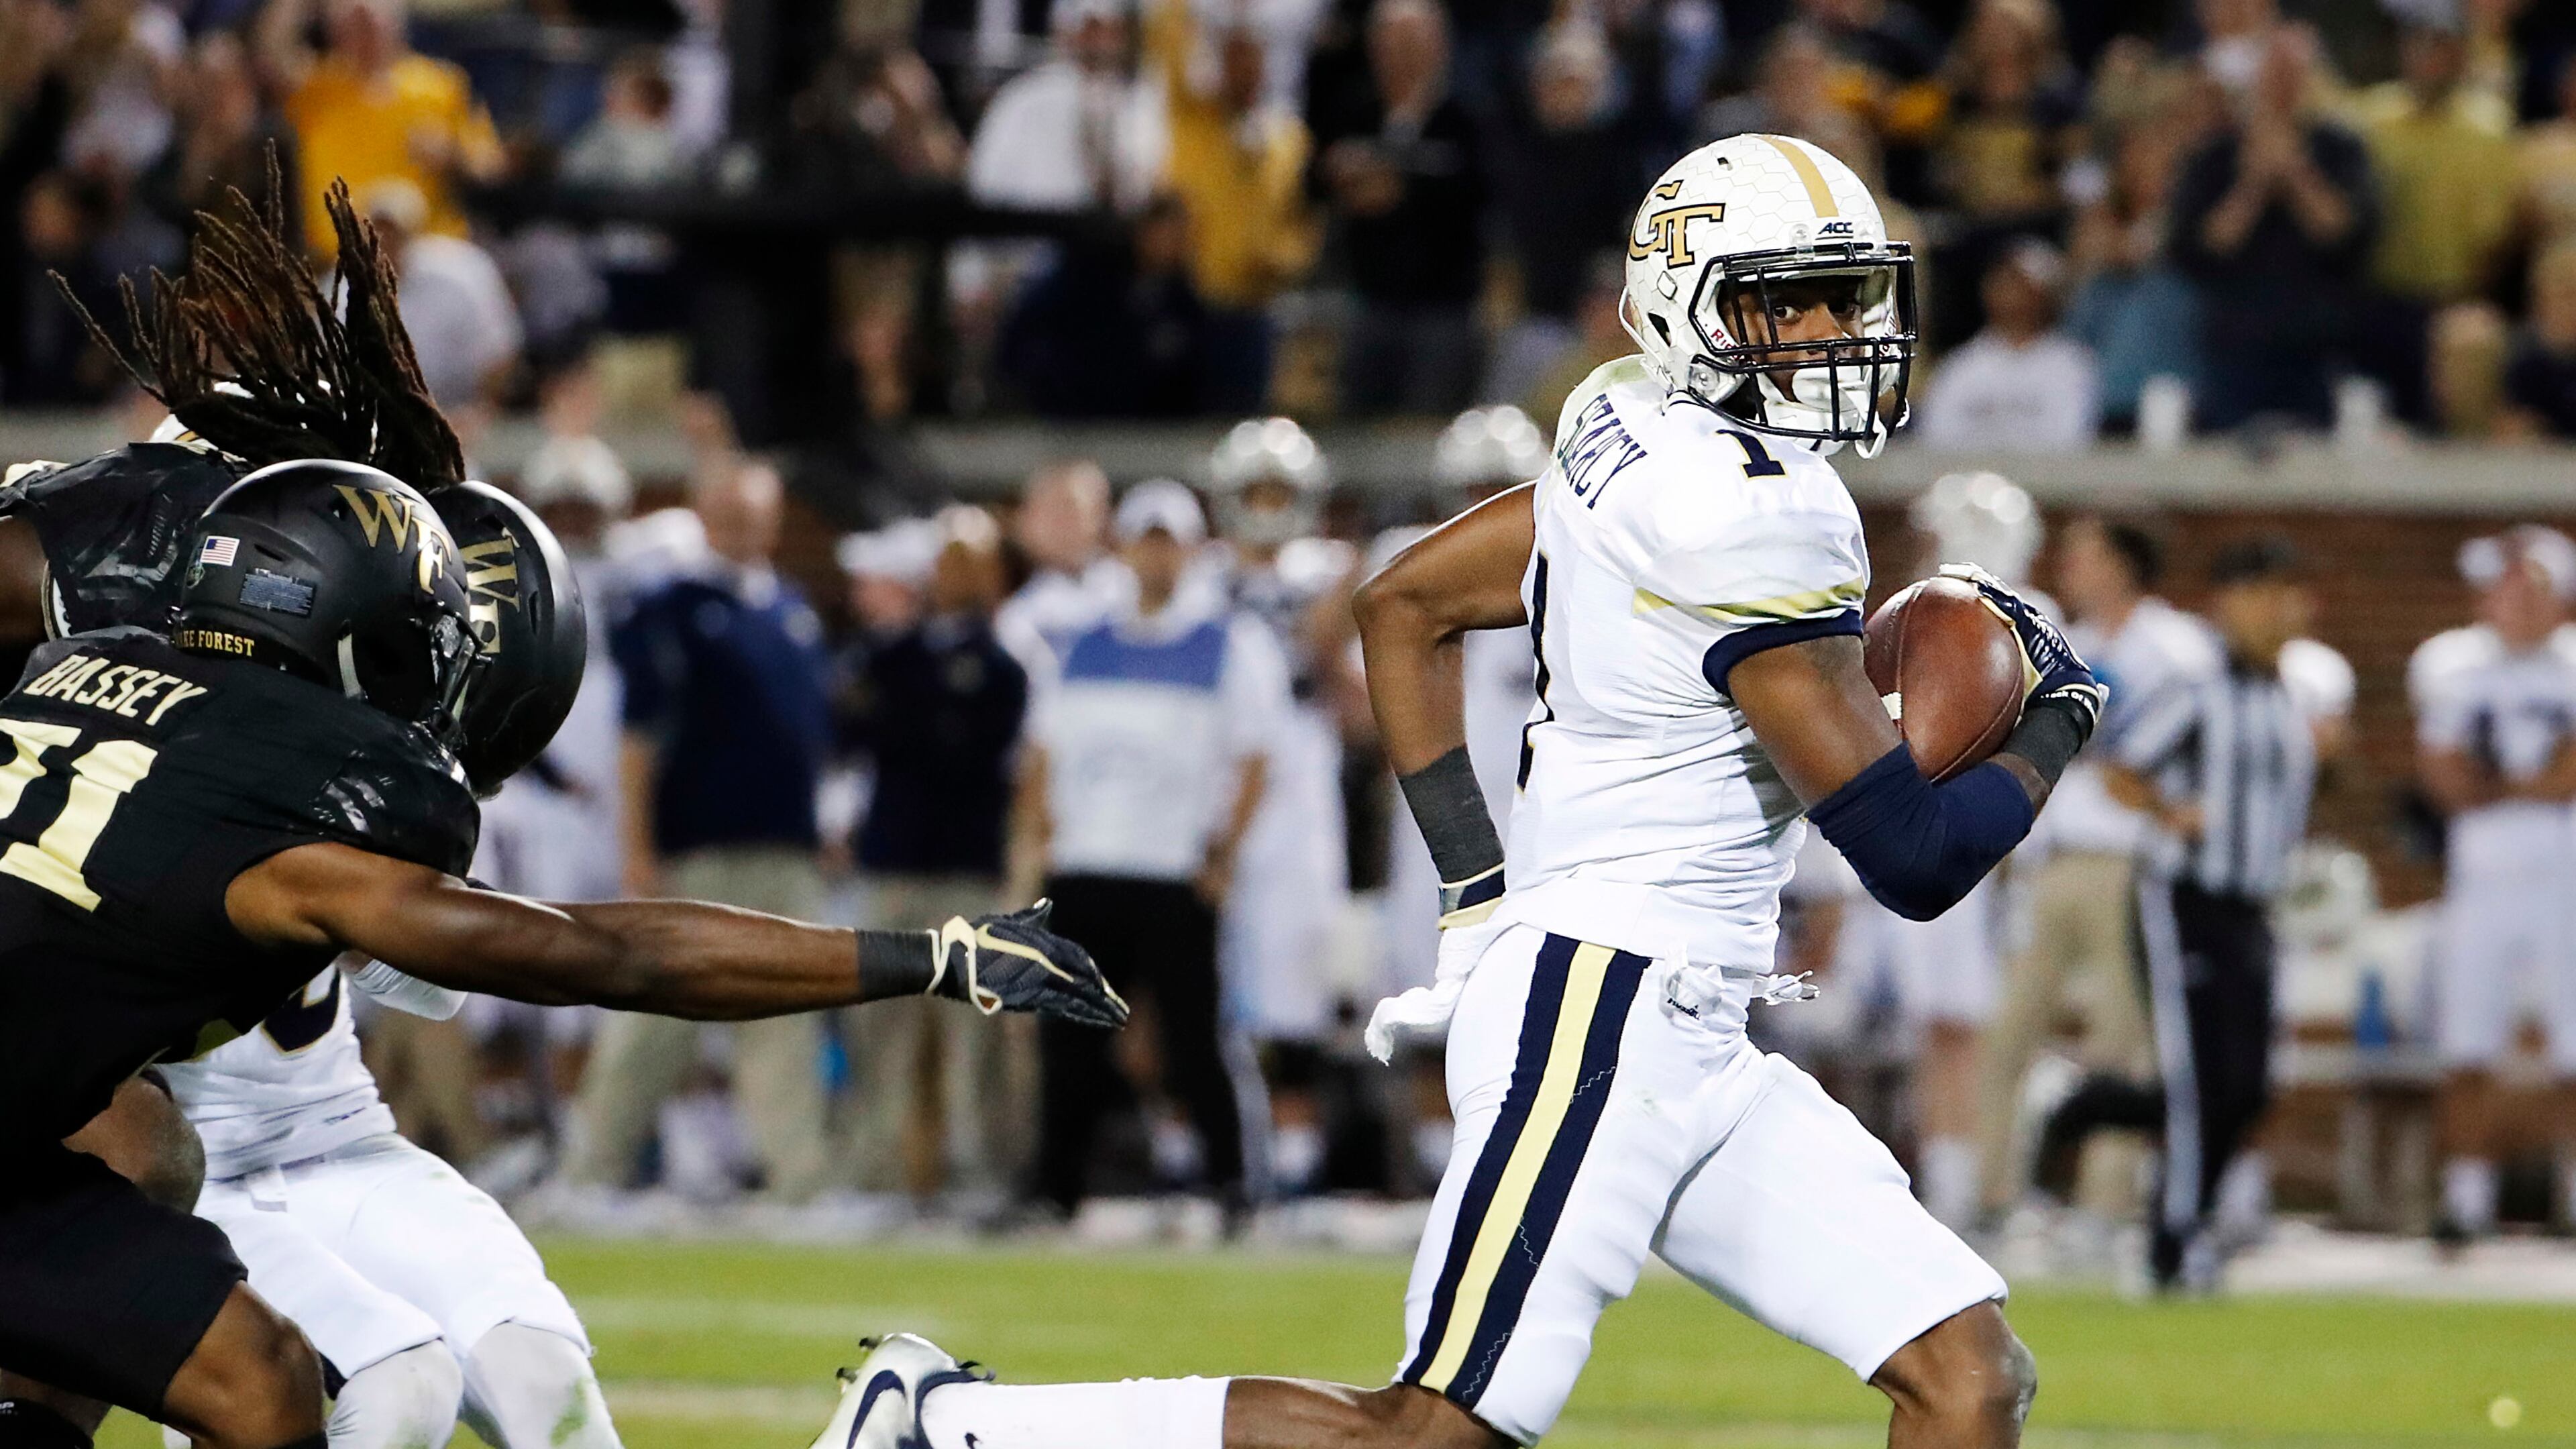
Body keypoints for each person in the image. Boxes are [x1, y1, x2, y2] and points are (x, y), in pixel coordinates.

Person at [822, 132, 2107, 1449]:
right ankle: (944, 1430)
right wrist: (2061, 710)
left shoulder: (1629, 420)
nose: (1838, 330)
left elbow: (1405, 602)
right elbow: (1916, 858)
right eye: (1795, 300)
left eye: (1849, 294)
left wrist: (1475, 886)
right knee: (1429, 1435)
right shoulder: (1757, 514)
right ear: (1696, 305)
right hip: (1606, 1006)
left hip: (1695, 1023)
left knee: (1968, 1375)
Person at [564, 458, 842, 1204]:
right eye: (728, 510)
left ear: (774, 518)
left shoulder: (792, 607)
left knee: (785, 1023)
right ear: (703, 514)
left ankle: (800, 1187)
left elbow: (810, 734)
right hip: (697, 848)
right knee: (655, 1019)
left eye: (754, 511)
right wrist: (638, 849)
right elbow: (639, 741)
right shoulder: (673, 606)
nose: (743, 525)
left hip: (784, 849)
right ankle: (591, 1173)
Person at [1014, 481, 1284, 1222]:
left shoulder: (1231, 643)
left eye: (1170, 540)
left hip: (1172, 870)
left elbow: (1258, 759)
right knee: (1069, 1039)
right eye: (1146, 538)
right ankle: (1056, 1188)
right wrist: (1044, 845)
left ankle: (1232, 1183)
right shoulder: (1079, 642)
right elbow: (1040, 754)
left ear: (1194, 549)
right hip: (1088, 865)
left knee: (1195, 1038)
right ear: (1124, 547)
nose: (1157, 555)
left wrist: (1222, 856)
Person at [1978, 515, 2216, 1232]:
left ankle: (2107, 1204)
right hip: (2053, 855)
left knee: (2123, 1040)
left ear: (2123, 563)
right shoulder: (2065, 641)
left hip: (2130, 860)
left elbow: (2188, 756)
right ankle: (1994, 1195)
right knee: (2010, 1031)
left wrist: (2156, 802)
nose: (2070, 568)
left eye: (2085, 556)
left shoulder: (2175, 650)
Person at [2102, 537, 2319, 1291]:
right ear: (2230, 605)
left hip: (2253, 907)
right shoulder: (2197, 688)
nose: (2282, 610)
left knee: (2250, 1081)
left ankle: (2080, 1109)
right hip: (2184, 899)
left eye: (2288, 593)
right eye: (2266, 592)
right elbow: (2123, 771)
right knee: (2201, 1082)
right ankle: (2176, 1239)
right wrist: (2171, 811)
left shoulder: (2290, 695)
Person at [839, 506, 1033, 1209]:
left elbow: (967, 750)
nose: (957, 576)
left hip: (966, 867)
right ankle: (877, 1174)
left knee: (973, 1035)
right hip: (892, 863)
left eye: (970, 562)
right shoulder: (891, 654)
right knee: (878, 1030)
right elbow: (856, 733)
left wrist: (916, 729)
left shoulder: (1007, 661)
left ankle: (979, 1177)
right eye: (948, 561)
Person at [2410, 527, 2576, 1241]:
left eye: (2529, 585)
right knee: (2467, 1044)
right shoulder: (2455, 666)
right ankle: (2466, 1201)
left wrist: (2521, 784)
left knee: (2573, 1047)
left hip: (2564, 880)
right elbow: (2443, 773)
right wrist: (2523, 785)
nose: (2514, 601)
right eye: (2504, 585)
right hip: (2480, 878)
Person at [1204, 417, 1356, 1195]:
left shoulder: (1334, 572)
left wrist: (1328, 642)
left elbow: (1361, 708)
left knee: (1297, 986)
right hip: (1213, 796)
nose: (1267, 507)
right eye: (1254, 491)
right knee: (1204, 986)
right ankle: (1213, 1156)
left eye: (1279, 491)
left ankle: (1294, 1166)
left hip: (1301, 804)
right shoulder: (1198, 579)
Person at [2167, 26, 2375, 432]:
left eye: (2293, 74)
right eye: (2274, 74)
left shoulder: (2341, 149)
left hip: (2319, 347)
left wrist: (2296, 173)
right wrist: (2254, 185)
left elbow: (2344, 232)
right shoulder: (2215, 154)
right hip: (2234, 348)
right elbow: (2204, 244)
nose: (2283, 87)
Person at [1310, 0, 1487, 416]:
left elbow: (1480, 193)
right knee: (1358, 429)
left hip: (1442, 309)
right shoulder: (1354, 111)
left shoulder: (1465, 116)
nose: (1401, 53)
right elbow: (1316, 181)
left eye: (1412, 41)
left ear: (1439, 46)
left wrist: (1401, 188)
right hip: (1368, 299)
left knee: (1424, 424)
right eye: (1390, 42)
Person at [257, 0, 504, 256]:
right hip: (343, 258)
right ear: (336, 34)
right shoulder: (317, 88)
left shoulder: (440, 85)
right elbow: (271, 55)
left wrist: (451, 154)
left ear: (397, 26)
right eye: (354, 26)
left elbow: (490, 166)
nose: (366, 36)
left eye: (373, 23)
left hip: (428, 252)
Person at [1916, 242, 2098, 450]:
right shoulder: (1961, 365)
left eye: (2021, 282)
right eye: (2003, 281)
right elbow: (1936, 436)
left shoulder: (2071, 365)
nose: (2010, 292)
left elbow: (2073, 438)